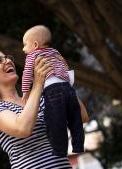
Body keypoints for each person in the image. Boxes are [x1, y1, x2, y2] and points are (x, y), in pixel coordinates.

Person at [0, 49, 89, 169]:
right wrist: (38, 84)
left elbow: (81, 117)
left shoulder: (42, 98)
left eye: (7, 57)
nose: (7, 61)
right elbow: (22, 128)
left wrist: (59, 78)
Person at [22, 25, 84, 156]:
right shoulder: (55, 52)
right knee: (75, 118)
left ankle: (60, 150)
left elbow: (27, 74)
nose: (23, 49)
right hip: (68, 88)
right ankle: (78, 146)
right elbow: (65, 67)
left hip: (53, 90)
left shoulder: (32, 55)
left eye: (25, 45)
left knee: (56, 120)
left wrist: (25, 91)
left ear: (34, 44)